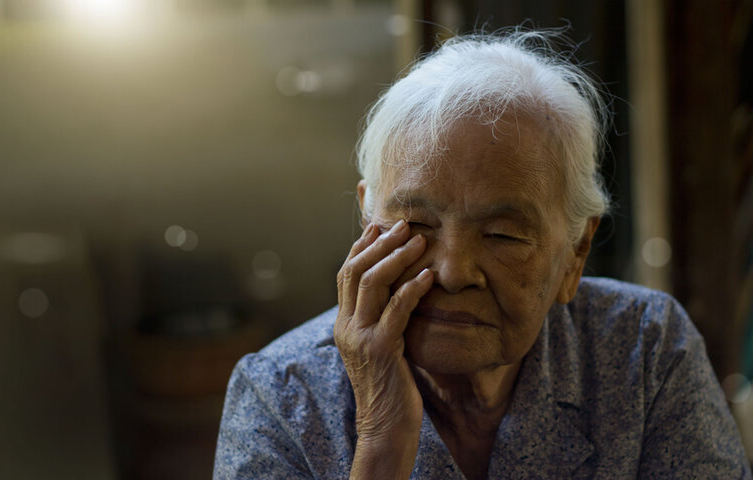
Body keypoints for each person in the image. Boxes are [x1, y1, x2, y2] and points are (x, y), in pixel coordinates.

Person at [214, 29, 752, 479]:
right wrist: (381, 439)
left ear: (575, 253)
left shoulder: (644, 350)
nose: (452, 272)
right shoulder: (281, 394)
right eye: (416, 226)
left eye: (502, 235)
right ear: (366, 226)